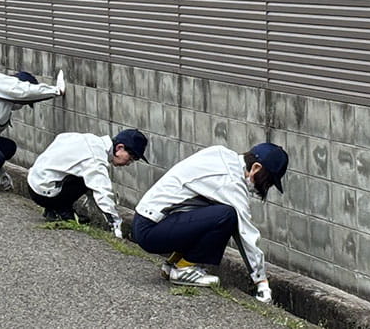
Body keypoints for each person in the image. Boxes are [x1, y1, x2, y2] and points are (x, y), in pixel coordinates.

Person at [132, 142, 289, 303]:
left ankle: (172, 265)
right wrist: (261, 282)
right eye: (267, 181)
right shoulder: (232, 182)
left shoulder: (219, 153)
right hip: (151, 230)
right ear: (256, 168)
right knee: (227, 215)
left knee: (211, 211)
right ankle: (184, 269)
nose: (265, 188)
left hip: (146, 221)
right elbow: (245, 234)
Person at [27, 129, 149, 238]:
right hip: (46, 193)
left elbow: (60, 139)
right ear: (120, 148)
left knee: (80, 174)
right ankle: (62, 211)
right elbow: (103, 193)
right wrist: (116, 226)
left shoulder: (88, 139)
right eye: (131, 158)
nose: (129, 163)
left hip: (33, 182)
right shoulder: (96, 159)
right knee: (87, 181)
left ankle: (53, 210)